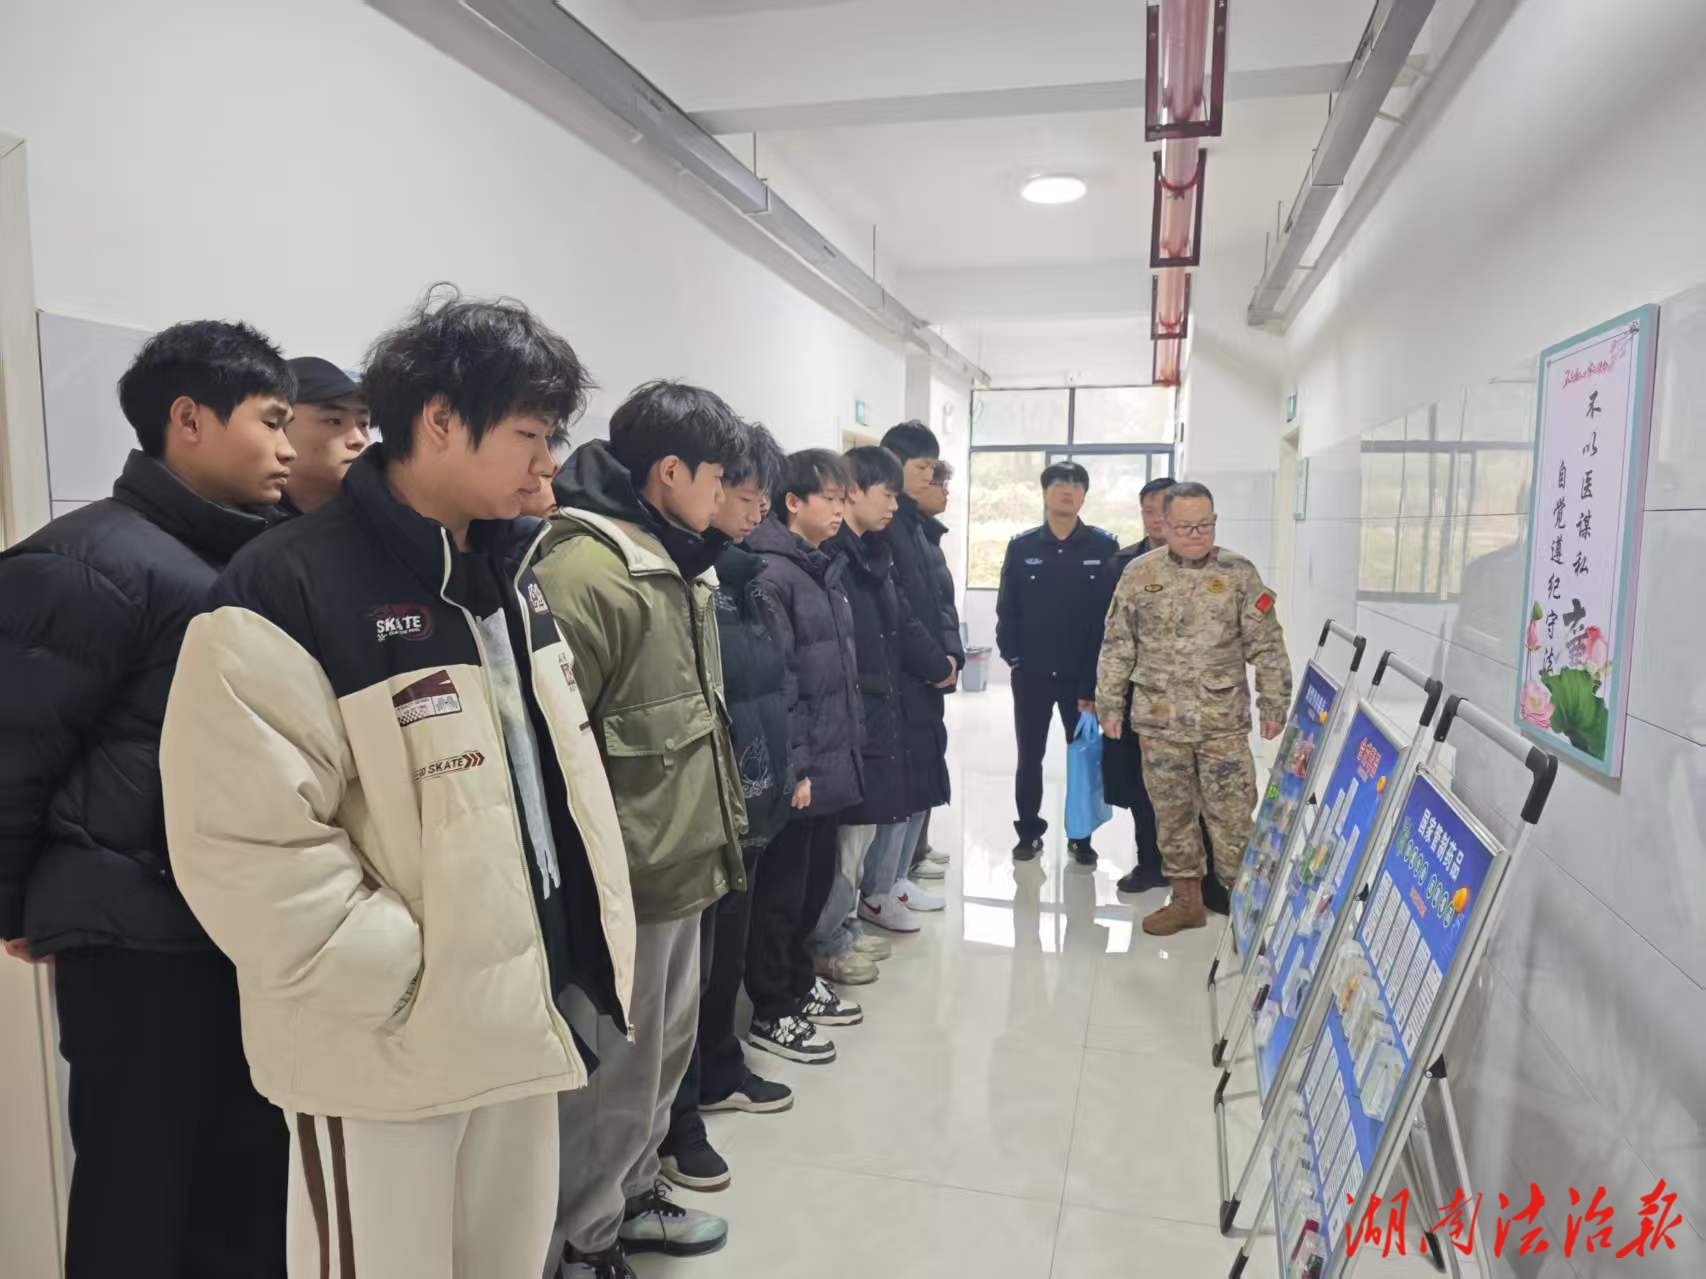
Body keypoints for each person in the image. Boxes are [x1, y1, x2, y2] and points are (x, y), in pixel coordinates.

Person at [160, 291, 635, 1279]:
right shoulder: (287, 585)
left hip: (517, 1005)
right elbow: (242, 843)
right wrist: (401, 973)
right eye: (530, 434)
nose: (550, 461)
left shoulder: (508, 568)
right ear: (441, 420)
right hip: (385, 1038)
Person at [0, 320, 296, 1279]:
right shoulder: (89, 560)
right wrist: (16, 905)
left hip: (229, 929)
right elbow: (13, 746)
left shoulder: (240, 565)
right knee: (137, 1201)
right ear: (189, 419)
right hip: (133, 946)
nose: (289, 447)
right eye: (271, 420)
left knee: (241, 1191)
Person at [535, 381, 749, 1275]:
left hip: (683, 860)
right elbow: (555, 756)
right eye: (718, 478)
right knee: (612, 1077)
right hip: (623, 883)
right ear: (669, 472)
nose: (726, 497)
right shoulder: (582, 572)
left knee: (662, 1059)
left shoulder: (675, 561)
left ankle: (630, 1197)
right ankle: (580, 1241)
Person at [658, 423, 796, 1197]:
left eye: (758, 498)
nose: (751, 510)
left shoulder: (736, 576)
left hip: (746, 793)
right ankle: (675, 1122)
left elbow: (767, 687)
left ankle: (717, 1069)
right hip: (689, 815)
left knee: (718, 961)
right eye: (739, 493)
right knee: (683, 980)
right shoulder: (675, 577)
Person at [1096, 480, 1292, 935]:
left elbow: (1267, 645)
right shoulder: (1140, 574)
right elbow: (1118, 643)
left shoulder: (1238, 573)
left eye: (1206, 525)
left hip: (1221, 724)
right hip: (1159, 722)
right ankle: (1186, 902)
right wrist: (1109, 703)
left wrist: (1273, 701)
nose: (1196, 534)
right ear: (1164, 525)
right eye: (1185, 527)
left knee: (1233, 819)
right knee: (1172, 817)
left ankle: (1248, 913)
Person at [811, 446, 956, 973]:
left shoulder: (876, 552)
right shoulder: (831, 558)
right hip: (849, 715)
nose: (895, 505)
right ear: (853, 492)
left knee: (864, 832)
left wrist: (939, 663)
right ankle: (826, 942)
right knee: (845, 843)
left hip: (879, 707)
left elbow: (904, 620)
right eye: (887, 494)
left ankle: (843, 927)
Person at [742, 449, 863, 1065]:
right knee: (782, 894)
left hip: (830, 758)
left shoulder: (820, 569)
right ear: (793, 502)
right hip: (802, 769)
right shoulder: (772, 573)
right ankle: (772, 1007)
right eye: (830, 499)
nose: (840, 511)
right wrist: (797, 768)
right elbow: (781, 681)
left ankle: (797, 980)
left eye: (844, 500)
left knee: (814, 884)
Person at [996, 460, 1120, 865]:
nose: (1067, 490)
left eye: (1076, 484)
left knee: (1082, 758)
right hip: (1032, 675)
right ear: (1045, 492)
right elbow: (1007, 610)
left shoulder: (1104, 547)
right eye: (1059, 483)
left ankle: (1081, 836)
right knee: (1029, 756)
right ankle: (1029, 831)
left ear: (1085, 495)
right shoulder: (1023, 547)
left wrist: (1096, 681)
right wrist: (1015, 658)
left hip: (1082, 680)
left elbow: (1111, 619)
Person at [880, 421, 963, 883]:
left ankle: (902, 871)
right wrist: (934, 662)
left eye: (934, 467)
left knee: (926, 762)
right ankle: (887, 882)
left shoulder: (917, 527)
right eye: (922, 467)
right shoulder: (888, 529)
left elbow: (939, 603)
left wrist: (951, 657)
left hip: (929, 670)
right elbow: (901, 609)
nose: (932, 477)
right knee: (905, 776)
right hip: (905, 673)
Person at [1102, 476, 1176, 895]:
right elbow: (1104, 636)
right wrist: (1103, 697)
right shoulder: (1122, 565)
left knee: (1193, 789)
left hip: (1190, 703)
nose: (1155, 518)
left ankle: (1200, 875)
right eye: (1148, 510)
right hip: (1138, 696)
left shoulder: (1212, 566)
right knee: (1142, 785)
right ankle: (1150, 863)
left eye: (1163, 509)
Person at [280, 356, 372, 514]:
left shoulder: (384, 517)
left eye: (363, 424)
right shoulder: (243, 522)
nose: (359, 440)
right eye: (334, 421)